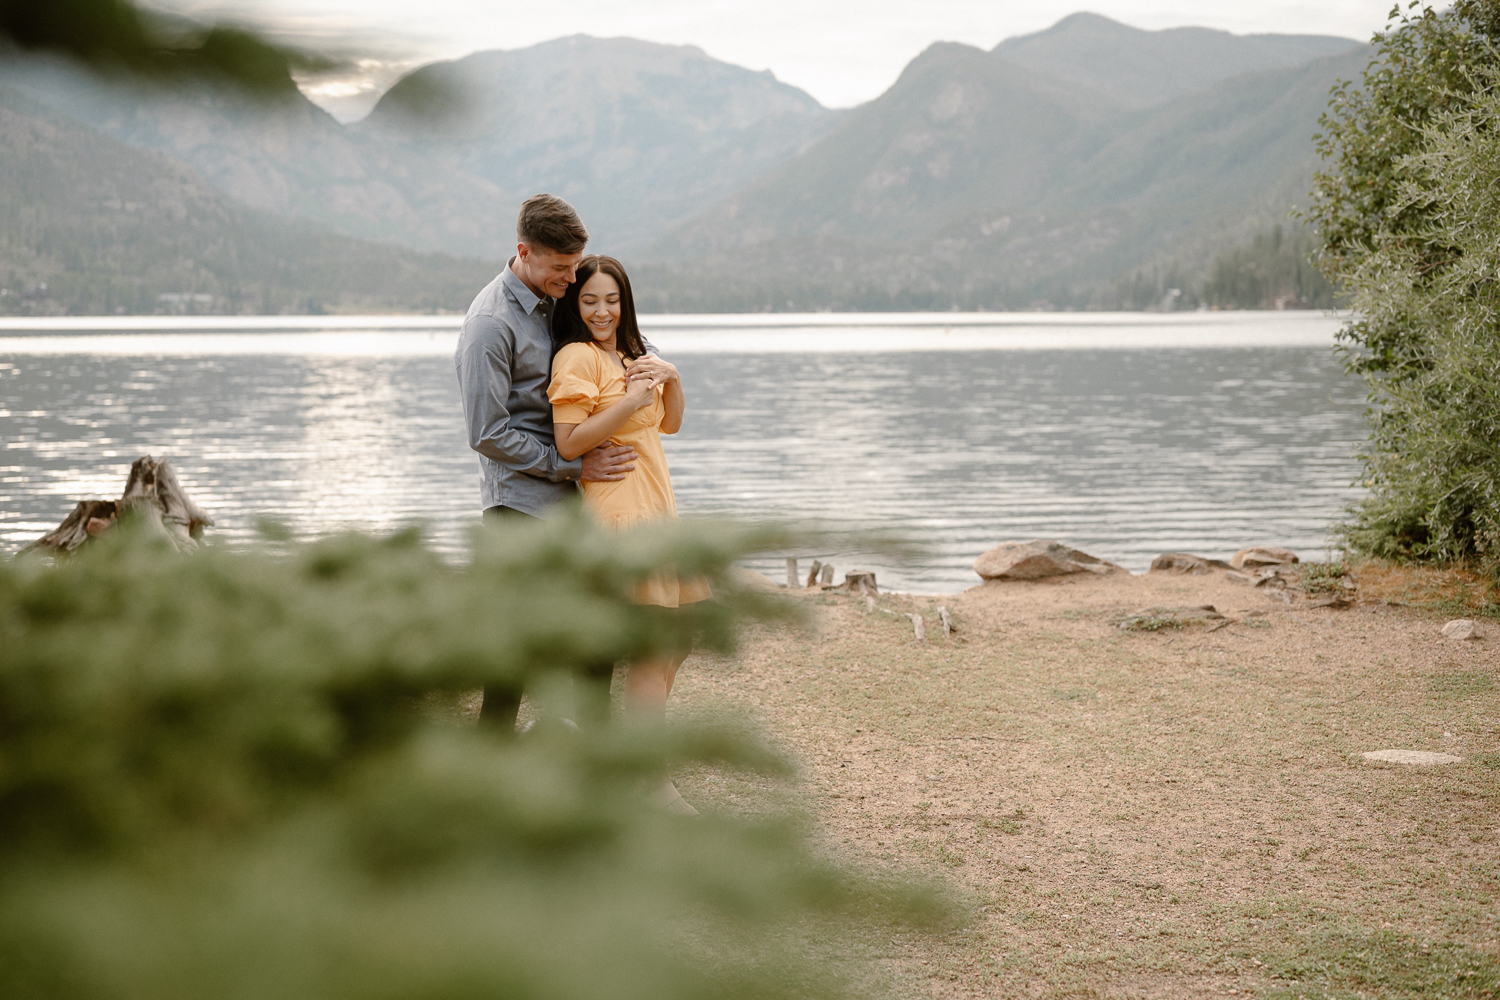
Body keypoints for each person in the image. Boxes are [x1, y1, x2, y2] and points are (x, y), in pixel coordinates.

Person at [455, 194, 672, 730]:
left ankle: (587, 756)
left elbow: (601, 346)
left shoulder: (559, 293)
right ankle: (491, 758)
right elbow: (487, 433)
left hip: (580, 502)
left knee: (596, 637)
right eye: (560, 267)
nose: (571, 278)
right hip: (520, 505)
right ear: (524, 252)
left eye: (574, 265)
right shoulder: (489, 324)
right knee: (514, 647)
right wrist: (573, 465)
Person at [548, 255, 710, 814]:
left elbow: (670, 423)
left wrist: (671, 378)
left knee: (680, 640)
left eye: (611, 299)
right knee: (652, 645)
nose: (601, 309)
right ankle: (650, 778)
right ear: (575, 303)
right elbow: (568, 443)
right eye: (589, 299)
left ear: (625, 302)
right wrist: (630, 401)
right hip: (620, 513)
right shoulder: (578, 357)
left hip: (659, 510)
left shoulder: (633, 353)